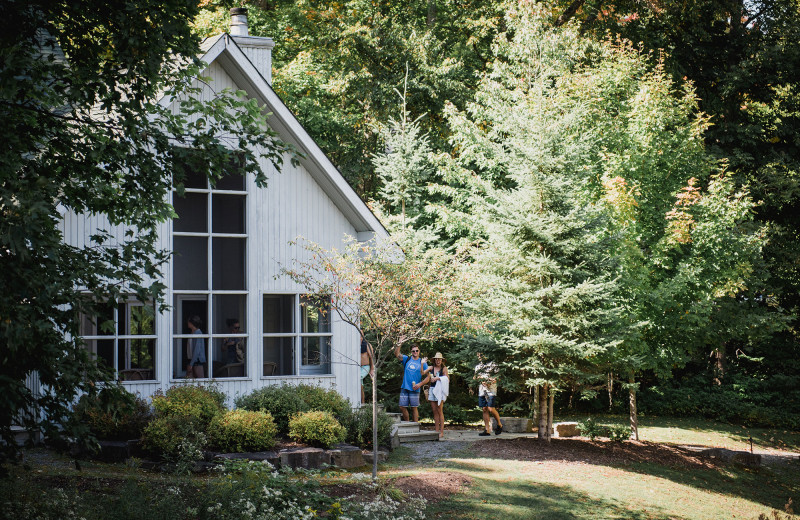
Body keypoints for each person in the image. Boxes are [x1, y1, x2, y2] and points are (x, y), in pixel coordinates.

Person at [394, 342, 428, 422]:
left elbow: (428, 377)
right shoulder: (407, 359)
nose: (415, 352)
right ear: (411, 352)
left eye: (417, 350)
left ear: (419, 351)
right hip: (405, 387)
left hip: (415, 388)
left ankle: (415, 426)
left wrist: (420, 384)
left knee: (414, 408)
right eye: (413, 351)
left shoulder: (422, 363)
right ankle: (407, 424)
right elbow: (396, 354)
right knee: (402, 407)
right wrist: (400, 343)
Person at [474, 352, 503, 436]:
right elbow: (475, 377)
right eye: (478, 355)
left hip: (491, 390)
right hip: (482, 390)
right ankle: (487, 430)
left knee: (491, 408)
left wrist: (491, 381)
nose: (480, 357)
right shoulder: (478, 366)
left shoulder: (493, 364)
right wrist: (481, 380)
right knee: (484, 409)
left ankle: (499, 424)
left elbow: (498, 377)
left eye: (481, 355)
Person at [425, 352, 449, 439]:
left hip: (440, 391)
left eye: (439, 359)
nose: (438, 360)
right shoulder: (431, 368)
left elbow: (447, 380)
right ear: (434, 360)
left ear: (442, 360)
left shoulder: (444, 369)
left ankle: (441, 432)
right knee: (434, 411)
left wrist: (438, 378)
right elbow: (422, 372)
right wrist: (422, 363)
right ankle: (436, 431)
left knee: (440, 410)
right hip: (432, 390)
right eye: (436, 359)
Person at [360, 338, 375, 404]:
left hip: (365, 367)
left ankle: (362, 402)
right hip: (356, 368)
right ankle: (362, 402)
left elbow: (372, 357)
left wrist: (372, 369)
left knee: (358, 379)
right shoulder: (353, 345)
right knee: (360, 384)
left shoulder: (367, 345)